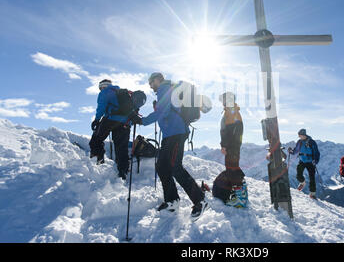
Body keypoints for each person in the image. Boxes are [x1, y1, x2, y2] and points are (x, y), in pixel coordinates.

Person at [134, 72, 208, 219]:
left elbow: (163, 112)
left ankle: (200, 200)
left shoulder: (165, 89)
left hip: (176, 133)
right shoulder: (167, 91)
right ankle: (172, 200)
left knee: (175, 167)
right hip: (170, 135)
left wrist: (142, 121)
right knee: (161, 166)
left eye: (151, 82)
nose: (150, 85)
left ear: (157, 80)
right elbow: (165, 111)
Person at [89, 79, 131, 180]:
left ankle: (99, 161)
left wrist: (97, 119)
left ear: (103, 86)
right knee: (121, 147)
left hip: (111, 119)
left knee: (96, 139)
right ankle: (123, 172)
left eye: (100, 88)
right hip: (125, 122)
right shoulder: (121, 93)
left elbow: (101, 107)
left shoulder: (105, 92)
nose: (100, 90)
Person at [212, 92, 247, 206]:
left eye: (223, 100)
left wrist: (225, 145)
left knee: (232, 169)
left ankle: (240, 198)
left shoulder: (231, 112)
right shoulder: (230, 111)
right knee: (232, 168)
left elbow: (228, 131)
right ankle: (238, 194)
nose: (222, 102)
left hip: (232, 146)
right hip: (233, 146)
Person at [288, 129, 320, 199]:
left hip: (310, 162)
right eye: (299, 135)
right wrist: (291, 151)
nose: (299, 137)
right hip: (302, 161)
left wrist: (316, 160)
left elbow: (316, 152)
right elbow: (296, 151)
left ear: (303, 135)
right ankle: (302, 182)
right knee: (298, 174)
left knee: (312, 177)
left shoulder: (312, 142)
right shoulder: (299, 142)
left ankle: (312, 193)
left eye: (300, 135)